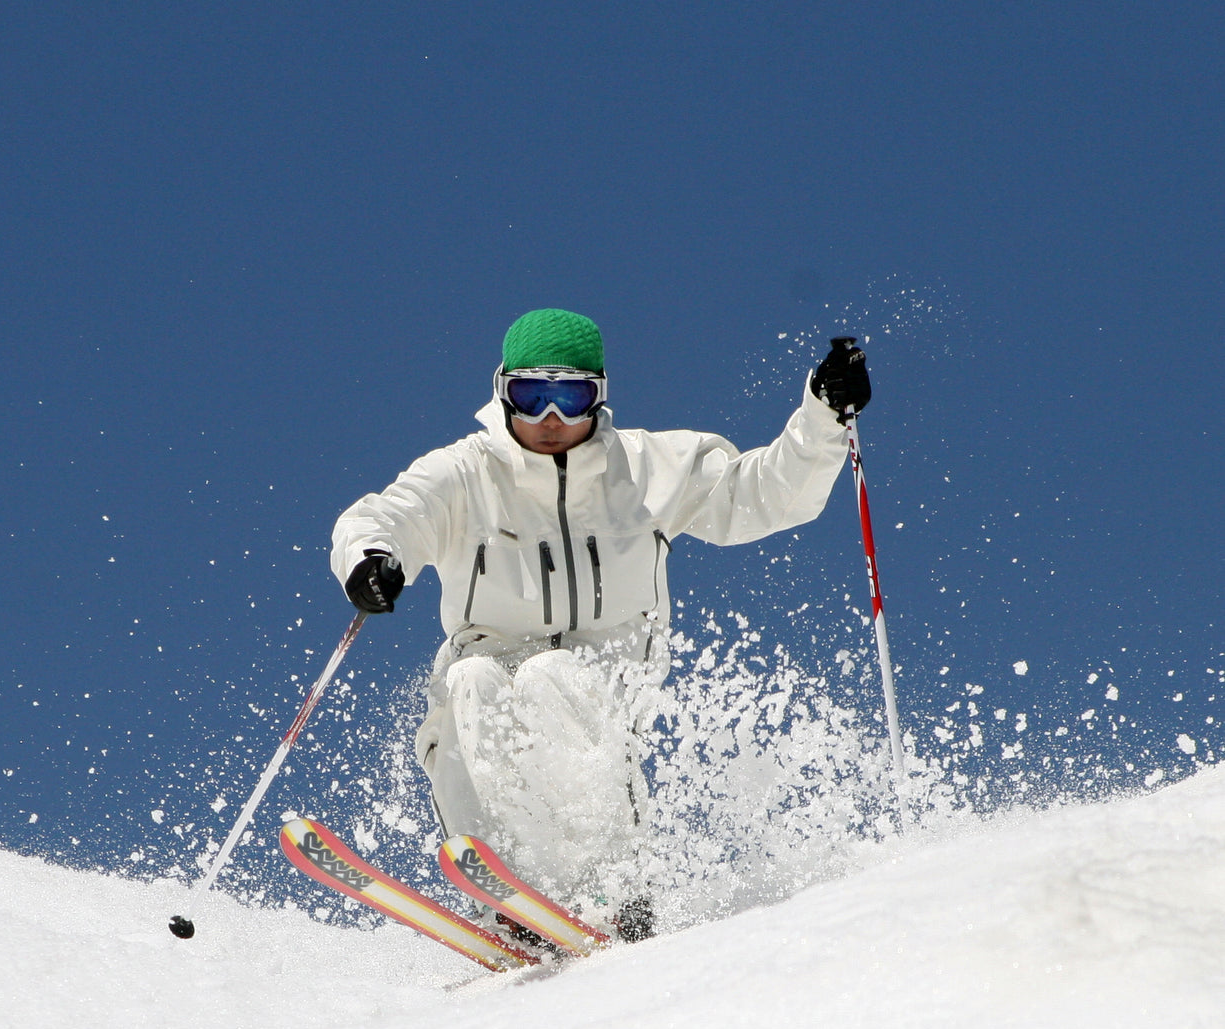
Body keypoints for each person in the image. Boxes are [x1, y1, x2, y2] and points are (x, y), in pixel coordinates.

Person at [331, 308, 870, 941]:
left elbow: (764, 496)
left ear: (600, 397)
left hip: (606, 671)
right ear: (502, 391)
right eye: (531, 397)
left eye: (570, 396)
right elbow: (390, 515)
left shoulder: (649, 468)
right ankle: (509, 900)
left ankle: (611, 891)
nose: (550, 420)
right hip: (489, 651)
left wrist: (822, 418)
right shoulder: (464, 473)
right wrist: (372, 559)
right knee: (469, 684)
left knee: (552, 675)